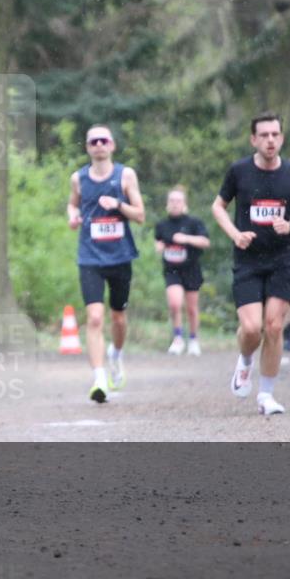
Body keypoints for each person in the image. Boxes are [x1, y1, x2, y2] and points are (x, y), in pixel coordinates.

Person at [212, 112, 290, 415]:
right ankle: (244, 362)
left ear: (281, 138)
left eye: (275, 134)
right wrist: (234, 233)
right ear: (253, 139)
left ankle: (266, 396)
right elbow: (218, 206)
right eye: (264, 135)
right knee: (252, 327)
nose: (270, 140)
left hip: (284, 257)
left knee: (273, 325)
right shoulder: (239, 171)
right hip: (248, 259)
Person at [67, 124, 145, 403]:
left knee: (118, 318)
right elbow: (73, 205)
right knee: (95, 318)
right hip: (90, 257)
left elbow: (140, 215)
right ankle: (99, 378)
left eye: (104, 140)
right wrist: (73, 216)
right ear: (88, 147)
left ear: (112, 145)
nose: (99, 145)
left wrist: (119, 205)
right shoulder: (78, 178)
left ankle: (116, 355)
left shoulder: (125, 175)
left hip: (120, 256)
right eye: (93, 141)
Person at [154, 185, 210, 356]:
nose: (175, 204)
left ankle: (193, 339)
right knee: (174, 303)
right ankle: (177, 338)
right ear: (167, 204)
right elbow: (158, 242)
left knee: (192, 308)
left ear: (184, 203)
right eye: (172, 200)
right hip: (172, 270)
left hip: (191, 269)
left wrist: (186, 238)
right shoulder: (162, 224)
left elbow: (205, 242)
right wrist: (160, 246)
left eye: (178, 201)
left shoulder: (194, 223)